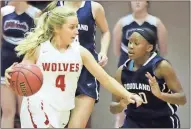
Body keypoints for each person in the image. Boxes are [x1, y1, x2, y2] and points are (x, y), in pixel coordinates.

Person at [4, 6, 143, 128]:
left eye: (77, 26)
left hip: (62, 111)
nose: (77, 31)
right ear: (57, 28)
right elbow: (20, 74)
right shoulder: (38, 50)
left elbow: (105, 79)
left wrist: (128, 94)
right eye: (72, 27)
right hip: (37, 108)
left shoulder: (80, 52)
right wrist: (10, 74)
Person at [41, 1, 111, 127]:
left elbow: (106, 31)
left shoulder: (94, 7)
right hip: (60, 70)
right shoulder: (54, 7)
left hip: (86, 71)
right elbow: (41, 37)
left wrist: (103, 51)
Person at [110, 27, 186, 128]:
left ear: (149, 47)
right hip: (133, 122)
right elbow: (113, 107)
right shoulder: (121, 71)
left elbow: (182, 99)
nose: (130, 47)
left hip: (161, 122)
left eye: (136, 43)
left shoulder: (161, 66)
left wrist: (160, 95)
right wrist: (122, 104)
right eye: (129, 42)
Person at [112, 1, 168, 127]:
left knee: (150, 104)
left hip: (149, 70)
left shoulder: (156, 23)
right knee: (123, 107)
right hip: (128, 69)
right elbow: (116, 50)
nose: (137, 2)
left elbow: (163, 50)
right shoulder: (122, 23)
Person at [1, 1, 41, 128]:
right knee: (7, 112)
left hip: (26, 70)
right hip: (5, 66)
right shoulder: (3, 12)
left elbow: (38, 43)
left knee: (24, 113)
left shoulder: (35, 13)